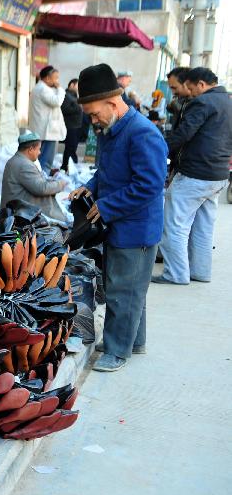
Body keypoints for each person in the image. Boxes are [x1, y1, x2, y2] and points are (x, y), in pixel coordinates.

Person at [70, 64, 167, 372]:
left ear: (113, 103)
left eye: (94, 113)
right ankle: (131, 341)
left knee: (123, 291)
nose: (93, 120)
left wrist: (108, 206)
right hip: (121, 224)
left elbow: (149, 185)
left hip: (136, 229)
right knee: (129, 288)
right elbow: (108, 172)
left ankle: (117, 350)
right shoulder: (112, 129)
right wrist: (91, 187)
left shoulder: (142, 133)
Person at [153, 67, 232, 285]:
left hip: (195, 173)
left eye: (190, 87)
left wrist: (157, 149)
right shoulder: (228, 101)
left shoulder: (203, 102)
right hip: (218, 175)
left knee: (175, 224)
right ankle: (200, 271)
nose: (189, 91)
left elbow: (183, 134)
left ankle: (175, 274)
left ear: (200, 84)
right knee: (203, 227)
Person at [2, 132, 68, 222]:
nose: (40, 153)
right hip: (19, 215)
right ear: (30, 149)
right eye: (38, 149)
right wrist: (61, 184)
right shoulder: (24, 164)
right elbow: (41, 188)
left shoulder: (17, 160)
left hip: (16, 211)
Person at [28, 65, 66, 174]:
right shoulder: (43, 89)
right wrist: (60, 88)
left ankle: (40, 177)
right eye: (56, 78)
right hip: (47, 131)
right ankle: (42, 178)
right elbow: (57, 101)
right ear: (47, 78)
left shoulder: (41, 88)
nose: (57, 81)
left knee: (41, 157)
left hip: (45, 129)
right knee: (45, 160)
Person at [60, 78, 84, 171]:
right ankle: (65, 166)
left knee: (73, 147)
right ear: (72, 85)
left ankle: (71, 165)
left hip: (76, 125)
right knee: (70, 147)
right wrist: (78, 108)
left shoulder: (74, 96)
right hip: (70, 126)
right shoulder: (66, 95)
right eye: (78, 85)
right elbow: (64, 109)